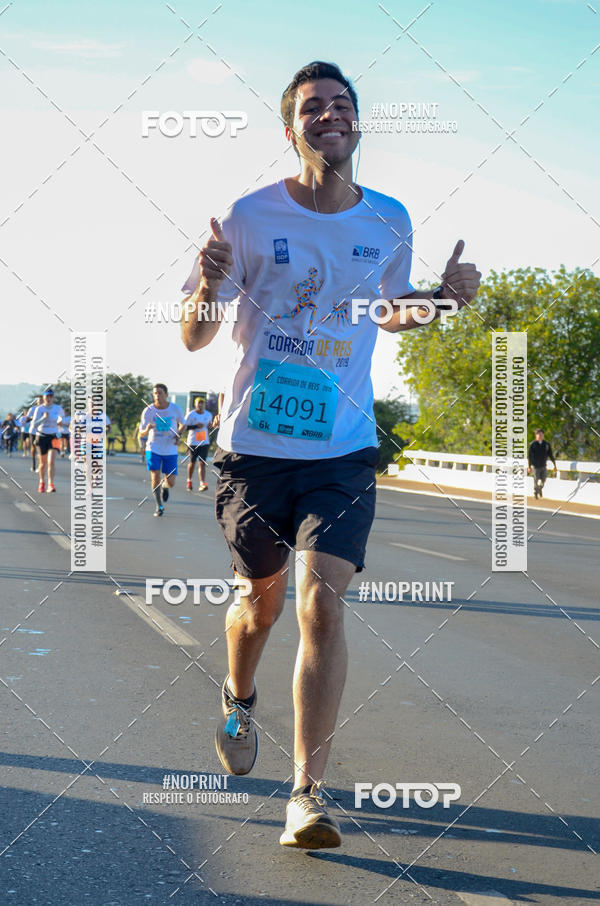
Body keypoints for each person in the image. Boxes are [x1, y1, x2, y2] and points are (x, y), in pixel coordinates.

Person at [180, 61, 481, 849]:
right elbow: (195, 332)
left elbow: (389, 312)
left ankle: (307, 794)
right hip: (252, 450)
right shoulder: (247, 217)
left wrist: (443, 300)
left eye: (341, 104)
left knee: (320, 601)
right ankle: (238, 695)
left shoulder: (387, 218)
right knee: (261, 603)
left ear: (357, 123)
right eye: (313, 107)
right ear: (293, 128)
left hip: (342, 449)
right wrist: (207, 285)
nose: (330, 115)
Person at [138, 383, 185, 516]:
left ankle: (165, 486)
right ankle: (159, 506)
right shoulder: (148, 411)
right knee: (155, 476)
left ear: (166, 394)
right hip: (153, 448)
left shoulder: (175, 409)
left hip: (170, 449)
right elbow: (141, 433)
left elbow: (183, 424)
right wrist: (147, 429)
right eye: (155, 393)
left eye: (160, 393)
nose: (157, 396)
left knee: (171, 482)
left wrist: (178, 435)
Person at [29, 389, 64, 493]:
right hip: (42, 436)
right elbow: (34, 424)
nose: (48, 398)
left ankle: (51, 484)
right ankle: (41, 482)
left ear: (53, 398)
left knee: (51, 461)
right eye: (47, 397)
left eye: (50, 397)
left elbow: (62, 419)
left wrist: (60, 421)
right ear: (44, 398)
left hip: (54, 436)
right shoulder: (39, 409)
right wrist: (43, 418)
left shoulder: (58, 408)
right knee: (43, 463)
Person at [183, 396, 213, 491]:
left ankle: (202, 483)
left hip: (204, 442)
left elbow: (210, 425)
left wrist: (210, 426)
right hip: (193, 442)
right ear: (195, 405)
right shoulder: (190, 415)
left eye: (202, 403)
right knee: (192, 462)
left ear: (204, 405)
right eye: (198, 403)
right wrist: (195, 426)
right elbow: (184, 427)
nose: (200, 405)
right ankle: (189, 480)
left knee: (202, 463)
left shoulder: (208, 415)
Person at [528, 428, 557, 499]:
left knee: (544, 479)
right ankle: (535, 492)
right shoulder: (532, 444)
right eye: (539, 434)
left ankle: (539, 489)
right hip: (535, 466)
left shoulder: (546, 444)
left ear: (543, 435)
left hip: (543, 465)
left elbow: (550, 455)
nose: (540, 436)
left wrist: (554, 465)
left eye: (541, 434)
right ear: (536, 435)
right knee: (536, 479)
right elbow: (529, 456)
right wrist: (529, 466)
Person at [25, 395, 43, 471]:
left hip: (42, 431)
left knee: (40, 449)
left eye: (42, 400)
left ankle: (40, 464)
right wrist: (33, 418)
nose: (41, 402)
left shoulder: (46, 409)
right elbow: (27, 418)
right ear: (37, 402)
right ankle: (33, 463)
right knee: (34, 447)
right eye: (39, 401)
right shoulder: (33, 409)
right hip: (33, 431)